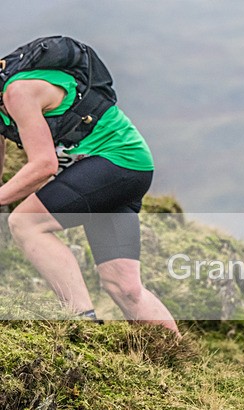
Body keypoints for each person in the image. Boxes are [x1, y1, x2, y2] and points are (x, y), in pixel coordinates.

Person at [0, 41, 179, 334]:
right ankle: (178, 360)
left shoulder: (18, 92)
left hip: (116, 163)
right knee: (124, 287)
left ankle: (82, 325)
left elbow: (43, 165)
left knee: (26, 222)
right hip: (128, 167)